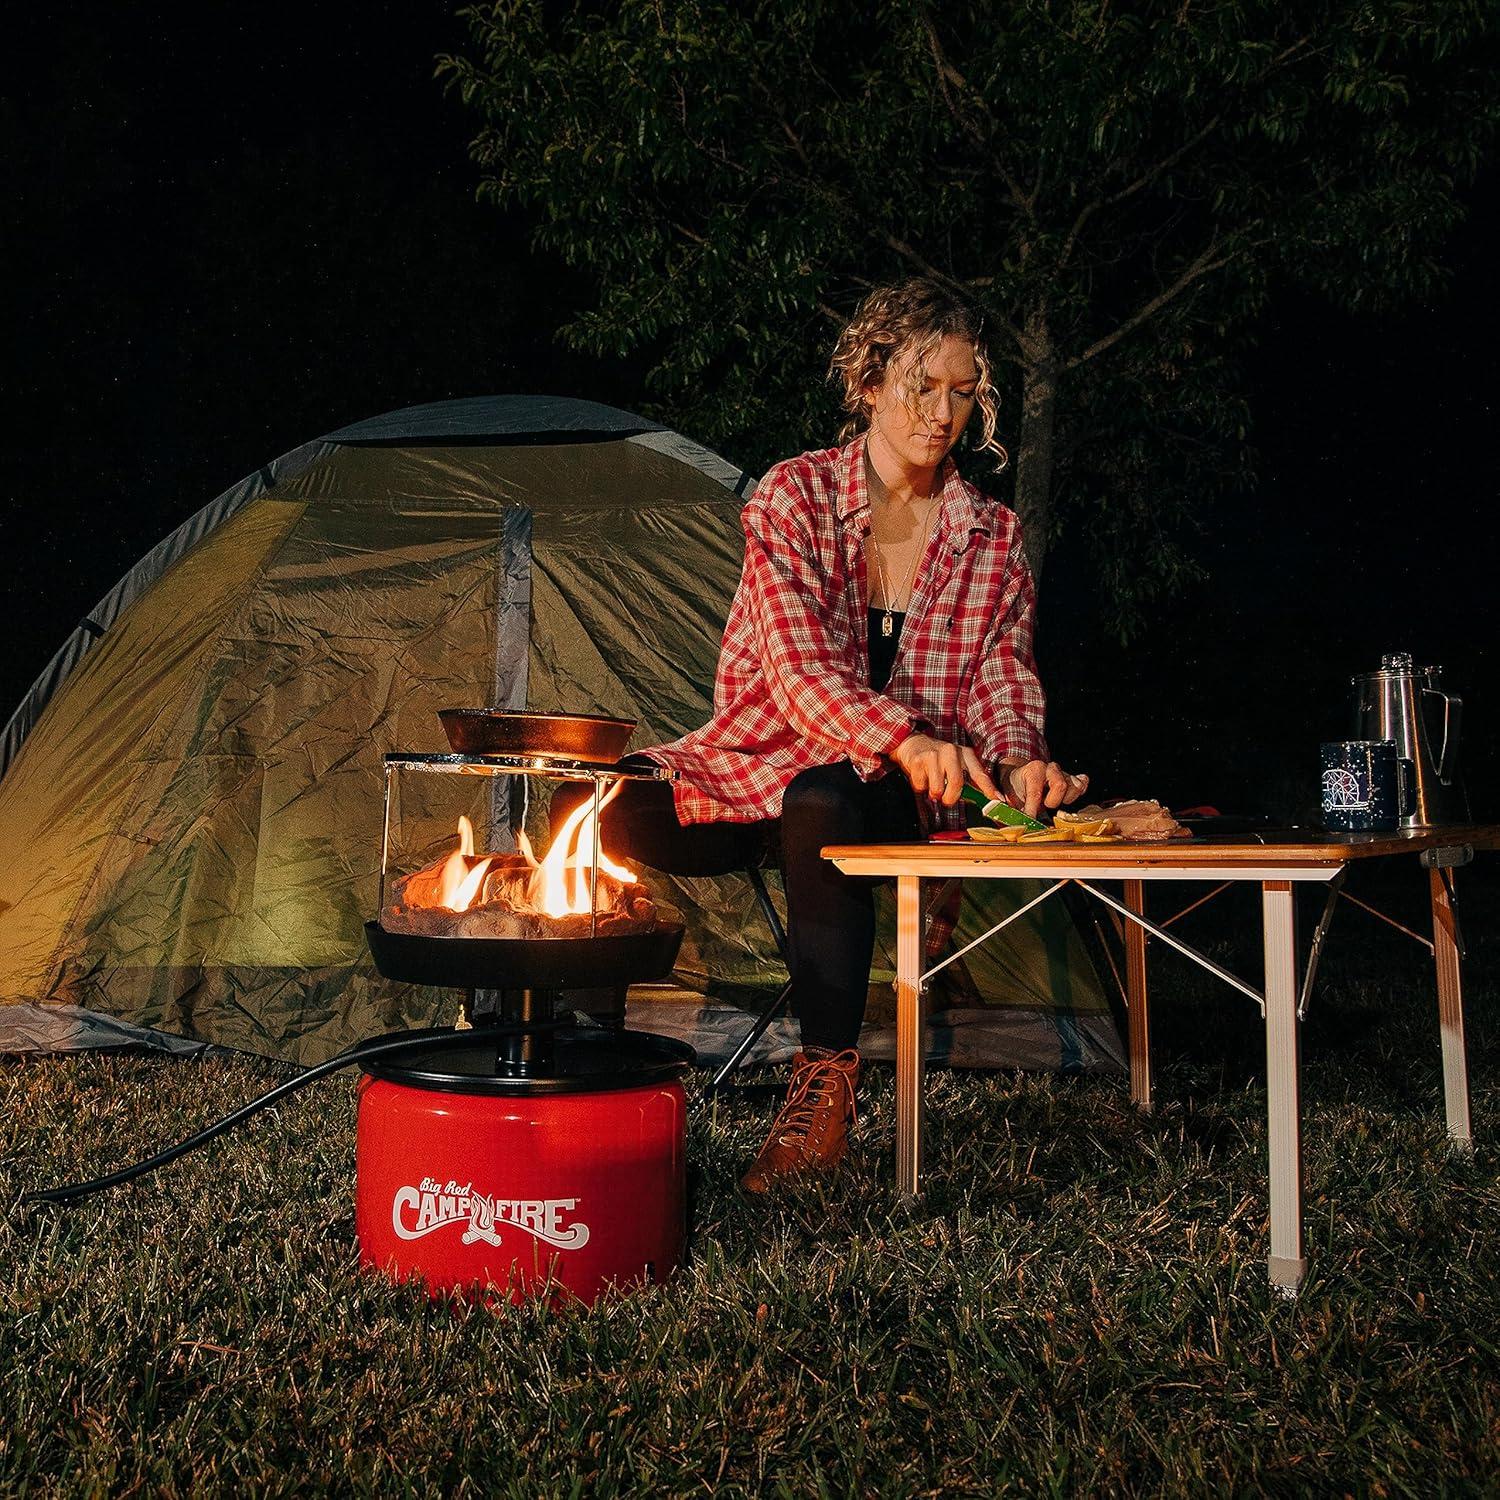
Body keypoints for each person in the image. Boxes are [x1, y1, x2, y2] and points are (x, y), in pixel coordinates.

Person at [555, 278, 1088, 1192]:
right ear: (872, 381)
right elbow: (798, 673)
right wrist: (899, 733)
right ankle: (584, 1059)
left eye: (962, 391)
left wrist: (1021, 756)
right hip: (757, 766)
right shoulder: (793, 496)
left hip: (896, 797)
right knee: (582, 797)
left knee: (826, 799)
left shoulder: (990, 536)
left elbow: (1003, 674)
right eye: (922, 384)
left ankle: (823, 1084)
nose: (942, 411)